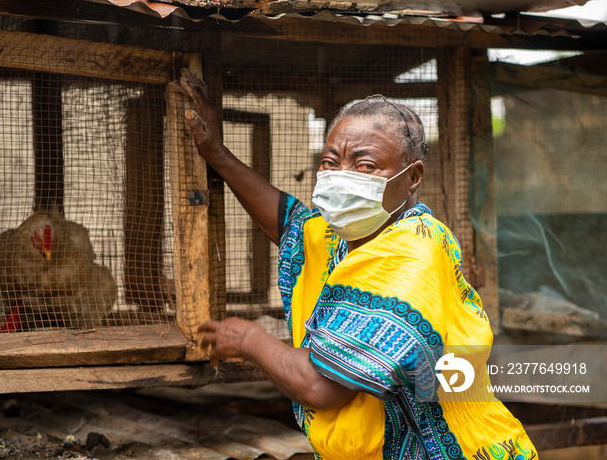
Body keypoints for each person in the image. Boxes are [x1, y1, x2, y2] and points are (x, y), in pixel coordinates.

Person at [174, 69, 536, 459]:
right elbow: (289, 222)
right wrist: (216, 153)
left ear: (412, 177)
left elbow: (320, 386)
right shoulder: (347, 234)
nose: (341, 178)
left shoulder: (411, 252)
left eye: (365, 166)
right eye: (331, 162)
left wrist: (248, 339)